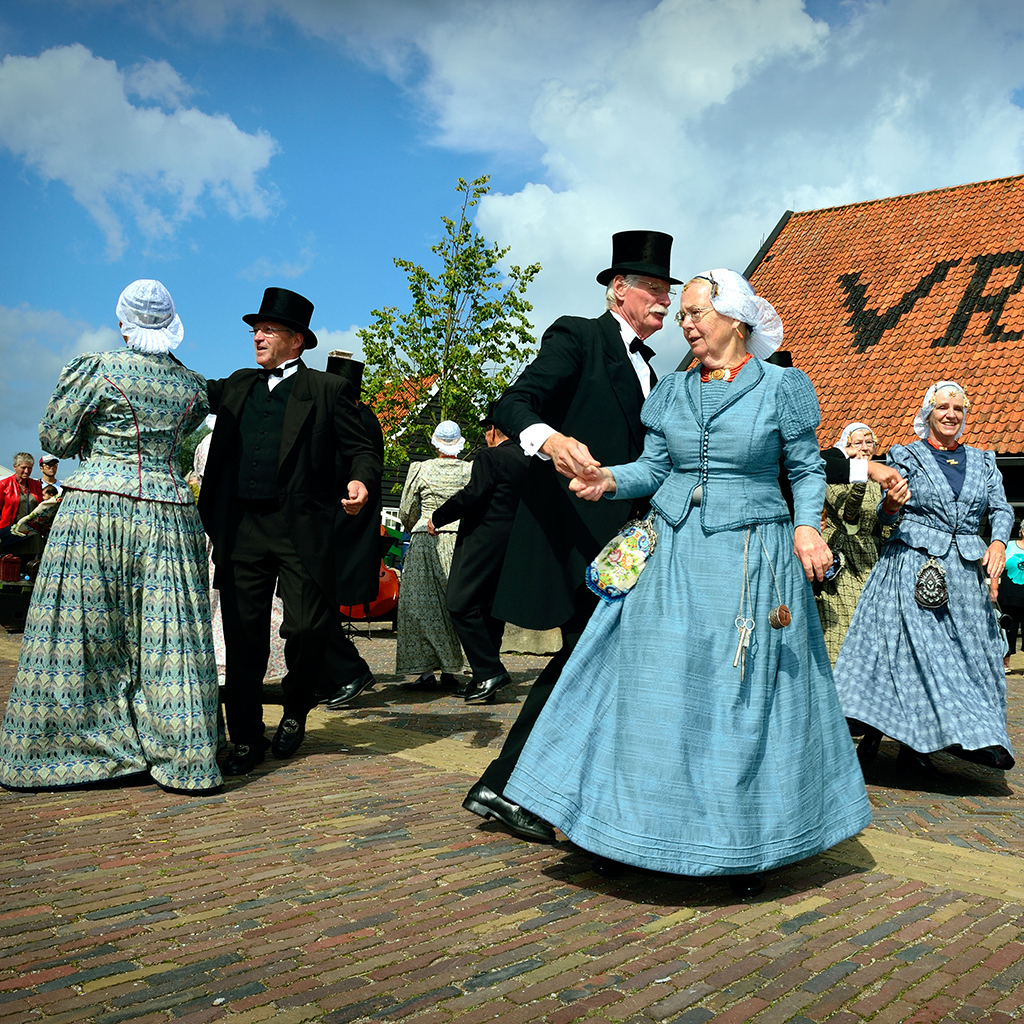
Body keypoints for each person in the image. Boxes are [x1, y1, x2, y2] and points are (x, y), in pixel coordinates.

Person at [502, 269, 872, 895]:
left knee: (735, 699)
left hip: (749, 557)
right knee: (652, 689)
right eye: (683, 317)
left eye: (697, 312)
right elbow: (653, 468)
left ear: (736, 317)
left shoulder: (782, 386)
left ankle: (739, 846)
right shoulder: (672, 393)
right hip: (671, 555)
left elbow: (806, 470)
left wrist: (808, 528)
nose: (686, 323)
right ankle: (625, 830)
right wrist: (608, 482)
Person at [462, 230, 676, 844]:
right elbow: (514, 402)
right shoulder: (578, 335)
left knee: (594, 660)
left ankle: (523, 783)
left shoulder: (653, 371)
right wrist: (549, 440)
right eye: (654, 290)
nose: (664, 302)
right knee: (584, 659)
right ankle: (505, 785)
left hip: (619, 542)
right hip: (571, 535)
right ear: (619, 291)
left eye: (669, 291)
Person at [0, 279, 222, 793]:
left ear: (124, 320)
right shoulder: (192, 385)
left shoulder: (96, 368)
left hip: (95, 509)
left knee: (81, 630)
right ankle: (181, 756)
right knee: (168, 636)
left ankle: (74, 752)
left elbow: (55, 437)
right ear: (170, 322)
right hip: (168, 513)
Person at [198, 288, 381, 775]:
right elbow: (190, 388)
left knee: (305, 627)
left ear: (296, 340)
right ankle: (245, 738)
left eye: (269, 329)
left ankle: (297, 708)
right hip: (242, 530)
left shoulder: (328, 390)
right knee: (242, 637)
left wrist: (361, 480)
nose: (257, 335)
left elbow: (362, 449)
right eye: (255, 329)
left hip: (302, 531)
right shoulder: (237, 385)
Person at [833, 381, 1015, 778]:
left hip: (965, 576)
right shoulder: (906, 456)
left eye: (958, 407)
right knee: (914, 653)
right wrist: (890, 506)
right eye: (942, 407)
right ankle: (913, 741)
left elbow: (1001, 509)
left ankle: (967, 732)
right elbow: (884, 517)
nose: (951, 414)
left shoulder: (984, 462)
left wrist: (999, 541)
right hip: (911, 566)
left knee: (967, 657)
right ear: (928, 413)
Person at [427, 404, 530, 701]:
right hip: (512, 543)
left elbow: (472, 495)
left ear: (493, 431)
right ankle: (483, 679)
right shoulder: (528, 460)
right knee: (490, 609)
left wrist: (437, 517)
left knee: (459, 603)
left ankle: (489, 671)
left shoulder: (490, 456)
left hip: (482, 540)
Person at [317, 351, 386, 709]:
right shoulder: (364, 417)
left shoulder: (357, 420)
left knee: (314, 603)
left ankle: (350, 670)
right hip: (339, 522)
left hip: (343, 522)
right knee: (315, 602)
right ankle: (330, 673)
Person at [815, 422, 905, 665]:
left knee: (872, 625)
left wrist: (892, 508)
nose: (865, 447)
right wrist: (862, 473)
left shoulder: (881, 481)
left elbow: (884, 527)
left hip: (872, 558)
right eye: (858, 442)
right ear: (846, 447)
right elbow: (848, 514)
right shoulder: (836, 479)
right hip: (844, 559)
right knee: (843, 625)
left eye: (869, 442)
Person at [395, 421, 473, 690]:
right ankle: (452, 670)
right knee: (455, 606)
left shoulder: (421, 468)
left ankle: (425, 672)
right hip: (459, 540)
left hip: (426, 539)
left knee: (419, 607)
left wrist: (415, 525)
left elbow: (406, 509)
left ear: (435, 441)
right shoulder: (469, 470)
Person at [0, 454, 45, 566]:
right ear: (15, 467)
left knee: (30, 571)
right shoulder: (3, 485)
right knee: (10, 572)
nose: (27, 471)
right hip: (11, 534)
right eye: (23, 467)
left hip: (31, 534)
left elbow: (41, 508)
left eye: (30, 468)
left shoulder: (36, 485)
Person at [999, 521, 1024, 670]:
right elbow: (999, 564)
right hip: (1009, 596)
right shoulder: (1009, 545)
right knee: (1008, 630)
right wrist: (994, 587)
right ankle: (1005, 663)